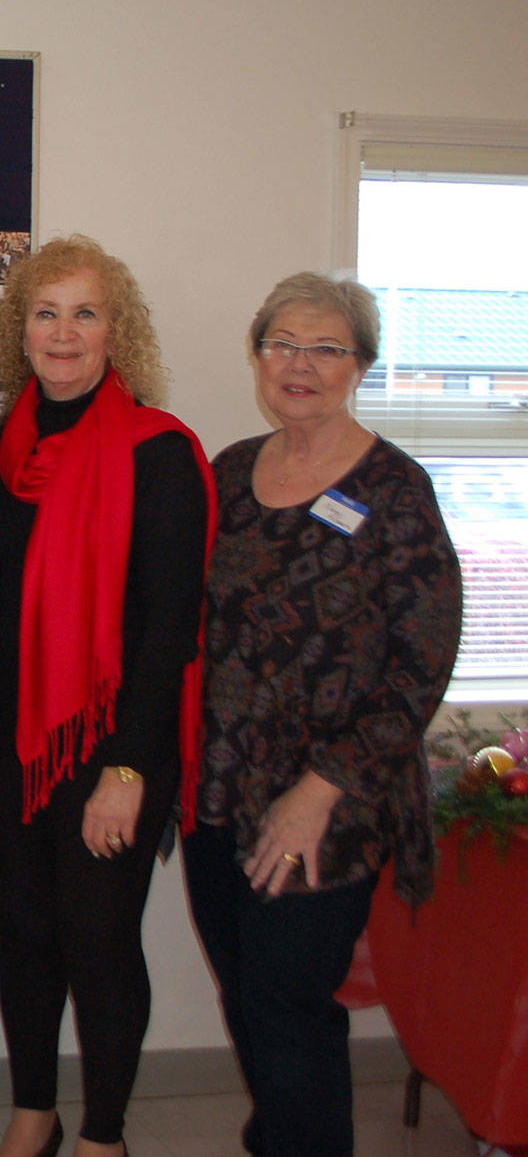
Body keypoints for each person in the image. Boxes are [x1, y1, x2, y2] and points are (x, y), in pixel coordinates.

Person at [184, 273, 462, 1157]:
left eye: (325, 348)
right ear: (259, 355)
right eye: (282, 345)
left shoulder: (395, 490)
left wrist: (319, 790)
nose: (299, 365)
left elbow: (420, 665)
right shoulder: (229, 472)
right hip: (219, 790)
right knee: (245, 993)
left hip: (326, 804)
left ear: (361, 366)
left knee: (288, 1003)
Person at [0, 236, 215, 1157]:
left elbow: (169, 630)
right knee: (21, 932)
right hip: (7, 739)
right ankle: (36, 1112)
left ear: (119, 330)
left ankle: (104, 1135)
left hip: (112, 748)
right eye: (44, 312)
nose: (63, 333)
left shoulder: (160, 454)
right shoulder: (7, 452)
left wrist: (131, 768)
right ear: (17, 329)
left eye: (85, 313)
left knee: (99, 939)